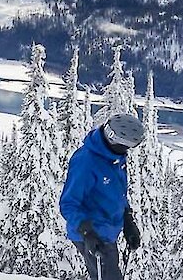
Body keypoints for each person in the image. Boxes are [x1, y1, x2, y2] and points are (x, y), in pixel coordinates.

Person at [60, 113, 147, 280]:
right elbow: (68, 204)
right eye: (126, 146)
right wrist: (87, 233)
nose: (127, 150)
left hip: (107, 231)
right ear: (115, 140)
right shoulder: (86, 162)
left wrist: (128, 221)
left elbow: (116, 193)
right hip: (93, 234)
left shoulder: (115, 158)